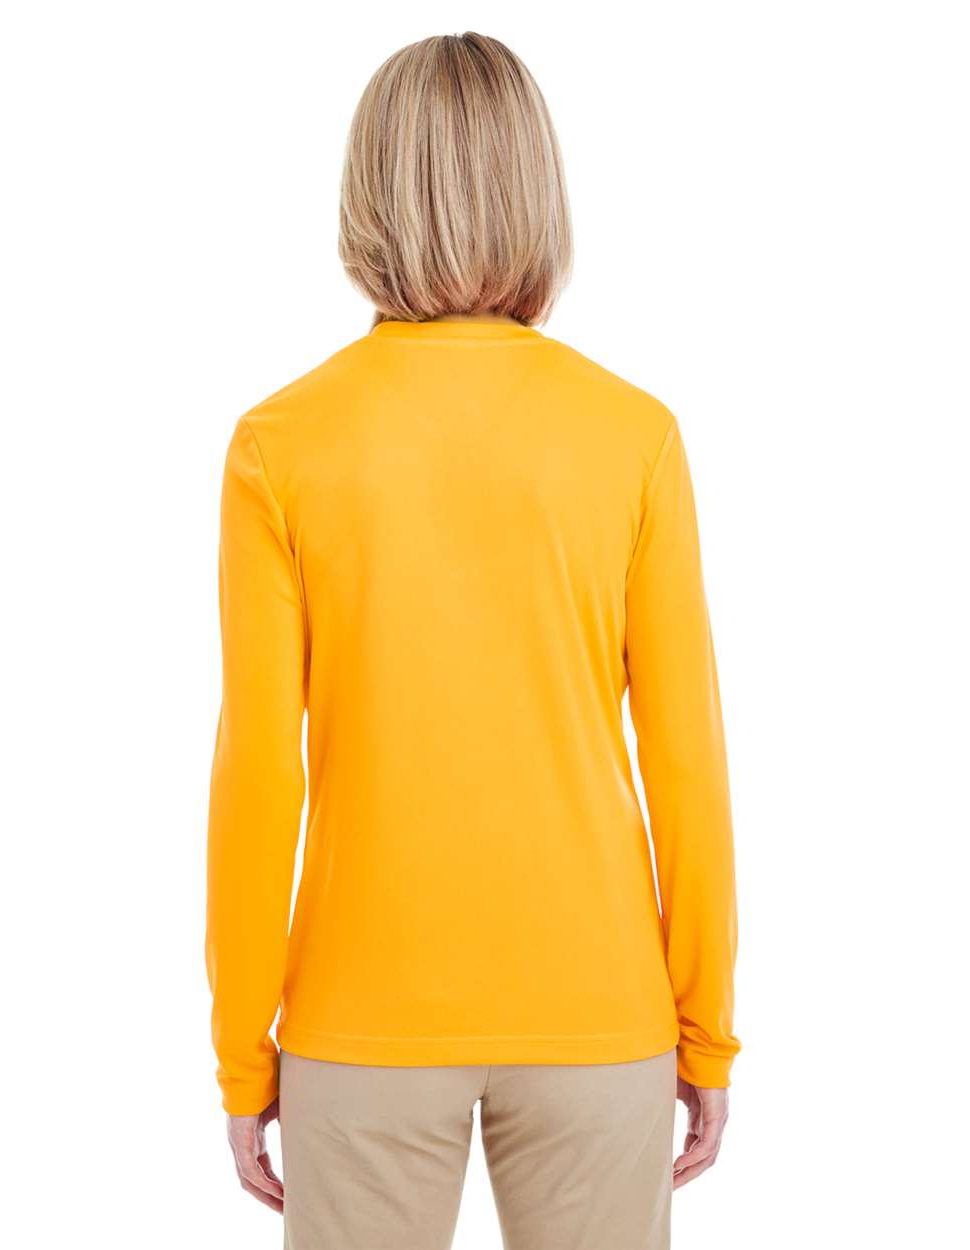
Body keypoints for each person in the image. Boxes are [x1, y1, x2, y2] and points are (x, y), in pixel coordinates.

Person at [206, 30, 740, 1250]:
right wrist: (705, 1029)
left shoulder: (280, 445)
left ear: (369, 196)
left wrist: (242, 1054)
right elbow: (687, 765)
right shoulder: (633, 436)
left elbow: (259, 779)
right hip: (598, 1012)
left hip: (359, 1020)